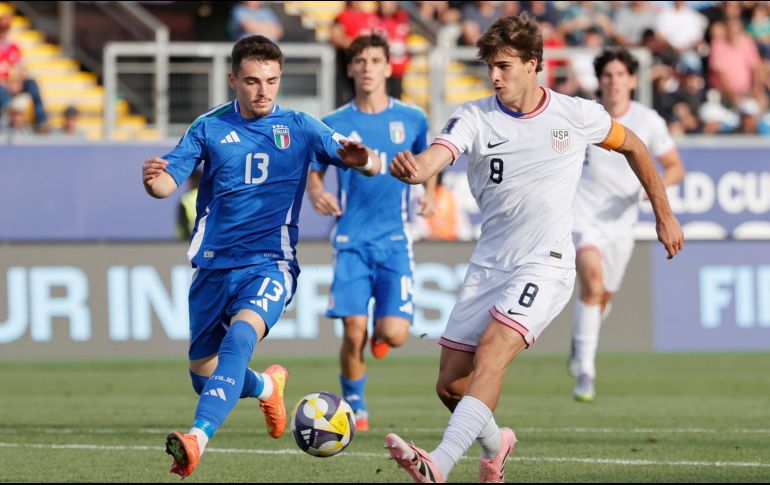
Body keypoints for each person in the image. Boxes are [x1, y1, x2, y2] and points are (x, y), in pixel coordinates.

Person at [384, 14, 684, 483]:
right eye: (490, 67)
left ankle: (437, 465)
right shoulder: (474, 116)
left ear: (533, 64)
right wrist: (415, 169)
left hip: (546, 263)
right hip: (489, 263)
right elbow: (433, 160)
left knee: (492, 352)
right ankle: (497, 443)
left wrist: (663, 214)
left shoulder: (575, 114)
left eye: (504, 65)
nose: (495, 76)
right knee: (451, 385)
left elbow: (637, 149)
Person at [141, 35, 380, 479]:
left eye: (271, 80)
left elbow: (359, 158)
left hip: (271, 263)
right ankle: (268, 385)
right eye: (252, 81)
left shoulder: (302, 126)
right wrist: (152, 179)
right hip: (213, 267)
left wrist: (362, 159)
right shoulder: (208, 127)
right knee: (203, 375)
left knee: (240, 340)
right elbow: (165, 185)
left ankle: (197, 438)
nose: (263, 90)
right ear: (233, 80)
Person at [306, 34, 435, 432]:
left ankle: (385, 336)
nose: (367, 67)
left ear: (387, 66)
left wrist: (427, 192)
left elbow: (429, 161)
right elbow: (314, 168)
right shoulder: (335, 122)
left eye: (375, 60)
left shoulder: (413, 118)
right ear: (350, 68)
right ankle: (355, 404)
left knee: (394, 334)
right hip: (351, 242)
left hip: (396, 240)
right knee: (353, 330)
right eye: (359, 60)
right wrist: (317, 192)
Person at [569, 49, 685, 402]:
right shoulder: (583, 116)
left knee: (604, 296)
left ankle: (580, 342)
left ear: (632, 80)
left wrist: (655, 191)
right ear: (599, 81)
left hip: (622, 224)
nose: (614, 81)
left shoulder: (648, 121)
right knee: (592, 281)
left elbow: (675, 166)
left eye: (620, 75)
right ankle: (586, 371)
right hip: (582, 217)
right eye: (607, 75)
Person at [0, 11, 48, 131]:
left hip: (14, 84)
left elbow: (21, 67)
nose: (4, 32)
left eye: (6, 29)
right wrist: (6, 83)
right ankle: (8, 121)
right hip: (2, 85)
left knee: (32, 84)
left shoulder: (14, 47)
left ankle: (41, 120)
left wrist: (17, 82)